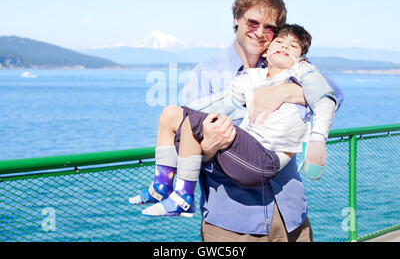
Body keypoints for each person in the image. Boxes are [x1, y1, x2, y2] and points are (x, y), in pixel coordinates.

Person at [129, 24, 338, 221]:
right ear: (266, 52)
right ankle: (162, 186)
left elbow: (326, 98)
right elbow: (222, 102)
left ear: (301, 58)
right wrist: (183, 112)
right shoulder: (252, 78)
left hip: (268, 159)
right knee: (170, 114)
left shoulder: (301, 73)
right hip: (246, 153)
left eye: (293, 46)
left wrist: (318, 139)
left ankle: (184, 196)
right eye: (280, 42)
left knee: (190, 123)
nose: (285, 47)